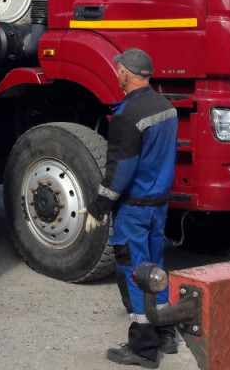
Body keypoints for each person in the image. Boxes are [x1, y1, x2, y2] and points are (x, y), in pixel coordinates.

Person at [83, 47, 178, 368]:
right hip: (158, 206)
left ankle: (143, 348)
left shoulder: (127, 115)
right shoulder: (166, 107)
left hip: (134, 210)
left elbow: (120, 171)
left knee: (135, 273)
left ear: (125, 72)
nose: (117, 74)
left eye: (118, 69)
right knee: (155, 268)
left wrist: (98, 207)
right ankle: (166, 333)